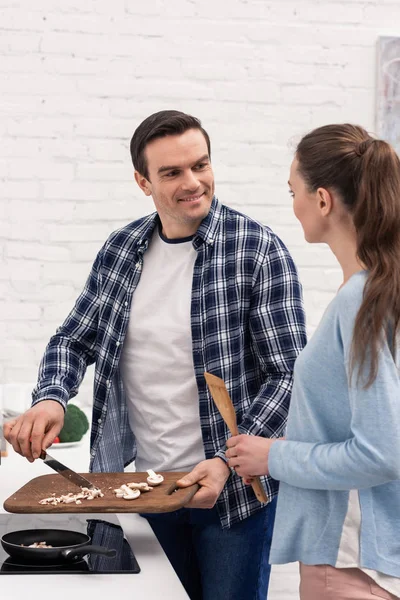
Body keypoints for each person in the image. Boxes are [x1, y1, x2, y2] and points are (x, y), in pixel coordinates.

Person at [4, 110, 307, 600]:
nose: (193, 182)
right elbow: (74, 339)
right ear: (143, 182)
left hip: (228, 495)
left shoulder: (257, 250)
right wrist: (51, 399)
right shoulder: (122, 250)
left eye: (200, 165)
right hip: (141, 490)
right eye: (172, 172)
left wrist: (230, 461)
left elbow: (288, 374)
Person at [226, 123, 400, 600]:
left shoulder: (361, 301)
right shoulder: (380, 293)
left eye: (293, 192)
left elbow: (381, 452)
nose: (294, 205)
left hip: (348, 563)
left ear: (322, 200)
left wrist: (274, 456)